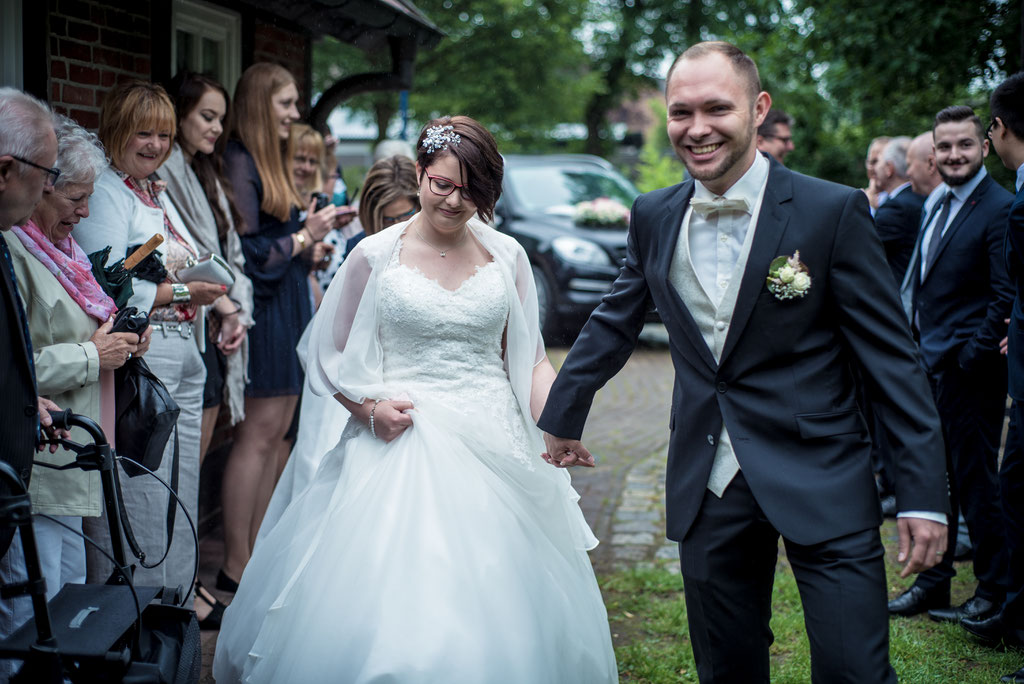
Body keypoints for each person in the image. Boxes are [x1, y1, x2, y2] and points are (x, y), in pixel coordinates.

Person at [539, 42, 948, 683]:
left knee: (854, 671)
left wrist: (925, 496)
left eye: (715, 108)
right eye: (680, 112)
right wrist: (564, 413)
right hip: (709, 476)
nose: (696, 128)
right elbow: (615, 321)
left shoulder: (831, 210)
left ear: (758, 109)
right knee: (726, 669)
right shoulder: (653, 214)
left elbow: (893, 362)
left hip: (823, 469)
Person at [213, 115, 617, 683]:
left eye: (470, 190)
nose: (453, 201)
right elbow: (329, 356)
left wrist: (558, 424)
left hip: (492, 440)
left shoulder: (508, 258)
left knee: (499, 598)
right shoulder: (374, 256)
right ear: (422, 174)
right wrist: (367, 409)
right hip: (399, 440)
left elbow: (529, 360)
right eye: (441, 184)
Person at [73, 80, 227, 600]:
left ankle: (176, 606)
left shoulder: (150, 190)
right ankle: (139, 610)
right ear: (116, 129)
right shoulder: (105, 192)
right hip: (145, 349)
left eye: (162, 134)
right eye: (143, 132)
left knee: (181, 489)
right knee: (144, 484)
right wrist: (188, 287)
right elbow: (108, 281)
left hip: (183, 345)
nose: (155, 145)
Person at [3, 115, 152, 656]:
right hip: (40, 458)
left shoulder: (64, 257)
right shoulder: (15, 255)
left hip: (74, 455)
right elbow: (12, 369)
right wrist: (94, 354)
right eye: (75, 198)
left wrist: (122, 338)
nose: (85, 212)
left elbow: (81, 330)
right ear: (42, 187)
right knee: (32, 604)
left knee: (66, 597)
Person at [888, 105, 1014, 624]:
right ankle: (935, 584)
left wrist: (970, 355)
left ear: (984, 147)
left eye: (964, 144)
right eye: (944, 146)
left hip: (970, 370)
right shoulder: (935, 198)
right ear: (933, 152)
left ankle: (992, 590)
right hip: (927, 361)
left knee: (975, 481)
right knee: (933, 478)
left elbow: (1005, 295)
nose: (954, 155)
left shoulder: (999, 208)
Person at [218, 63, 337, 593]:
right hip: (262, 312)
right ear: (262, 104)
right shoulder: (240, 159)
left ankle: (259, 554)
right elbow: (245, 254)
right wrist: (301, 238)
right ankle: (235, 563)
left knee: (280, 433)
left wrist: (309, 247)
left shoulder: (270, 161)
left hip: (289, 302)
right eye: (286, 104)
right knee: (257, 436)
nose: (294, 114)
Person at [259, 153, 420, 530]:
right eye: (389, 218)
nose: (400, 225)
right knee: (326, 475)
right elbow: (339, 339)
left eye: (406, 214)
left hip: (409, 378)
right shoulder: (364, 252)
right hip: (358, 375)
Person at [959, 73, 1024, 684]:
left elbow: (1007, 287)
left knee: (1008, 491)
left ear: (996, 134)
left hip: (999, 372)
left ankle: (1010, 609)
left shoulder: (1012, 203)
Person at [160, 71, 254, 457]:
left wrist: (239, 313)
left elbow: (232, 255)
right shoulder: (165, 171)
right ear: (179, 115)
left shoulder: (207, 171)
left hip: (219, 315)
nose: (217, 127)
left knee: (198, 448)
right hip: (189, 317)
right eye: (207, 116)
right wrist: (226, 306)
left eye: (220, 118)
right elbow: (186, 253)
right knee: (183, 453)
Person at [872, 136, 925, 284]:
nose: (874, 168)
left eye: (878, 162)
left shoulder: (895, 208)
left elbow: (864, 249)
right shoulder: (920, 198)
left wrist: (865, 208)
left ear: (889, 169)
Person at [864, 135, 891, 213]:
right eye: (871, 162)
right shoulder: (859, 197)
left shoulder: (900, 199)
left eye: (878, 162)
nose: (875, 168)